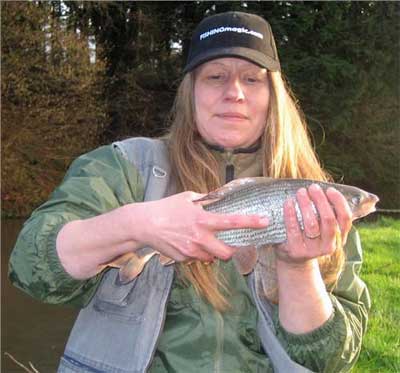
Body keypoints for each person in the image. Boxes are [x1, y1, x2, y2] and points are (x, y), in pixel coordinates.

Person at [9, 11, 370, 373]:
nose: (235, 93)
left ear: (273, 97)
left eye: (252, 79)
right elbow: (29, 266)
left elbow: (331, 360)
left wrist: (296, 267)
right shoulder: (124, 166)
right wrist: (136, 224)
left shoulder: (316, 200)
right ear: (190, 91)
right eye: (216, 77)